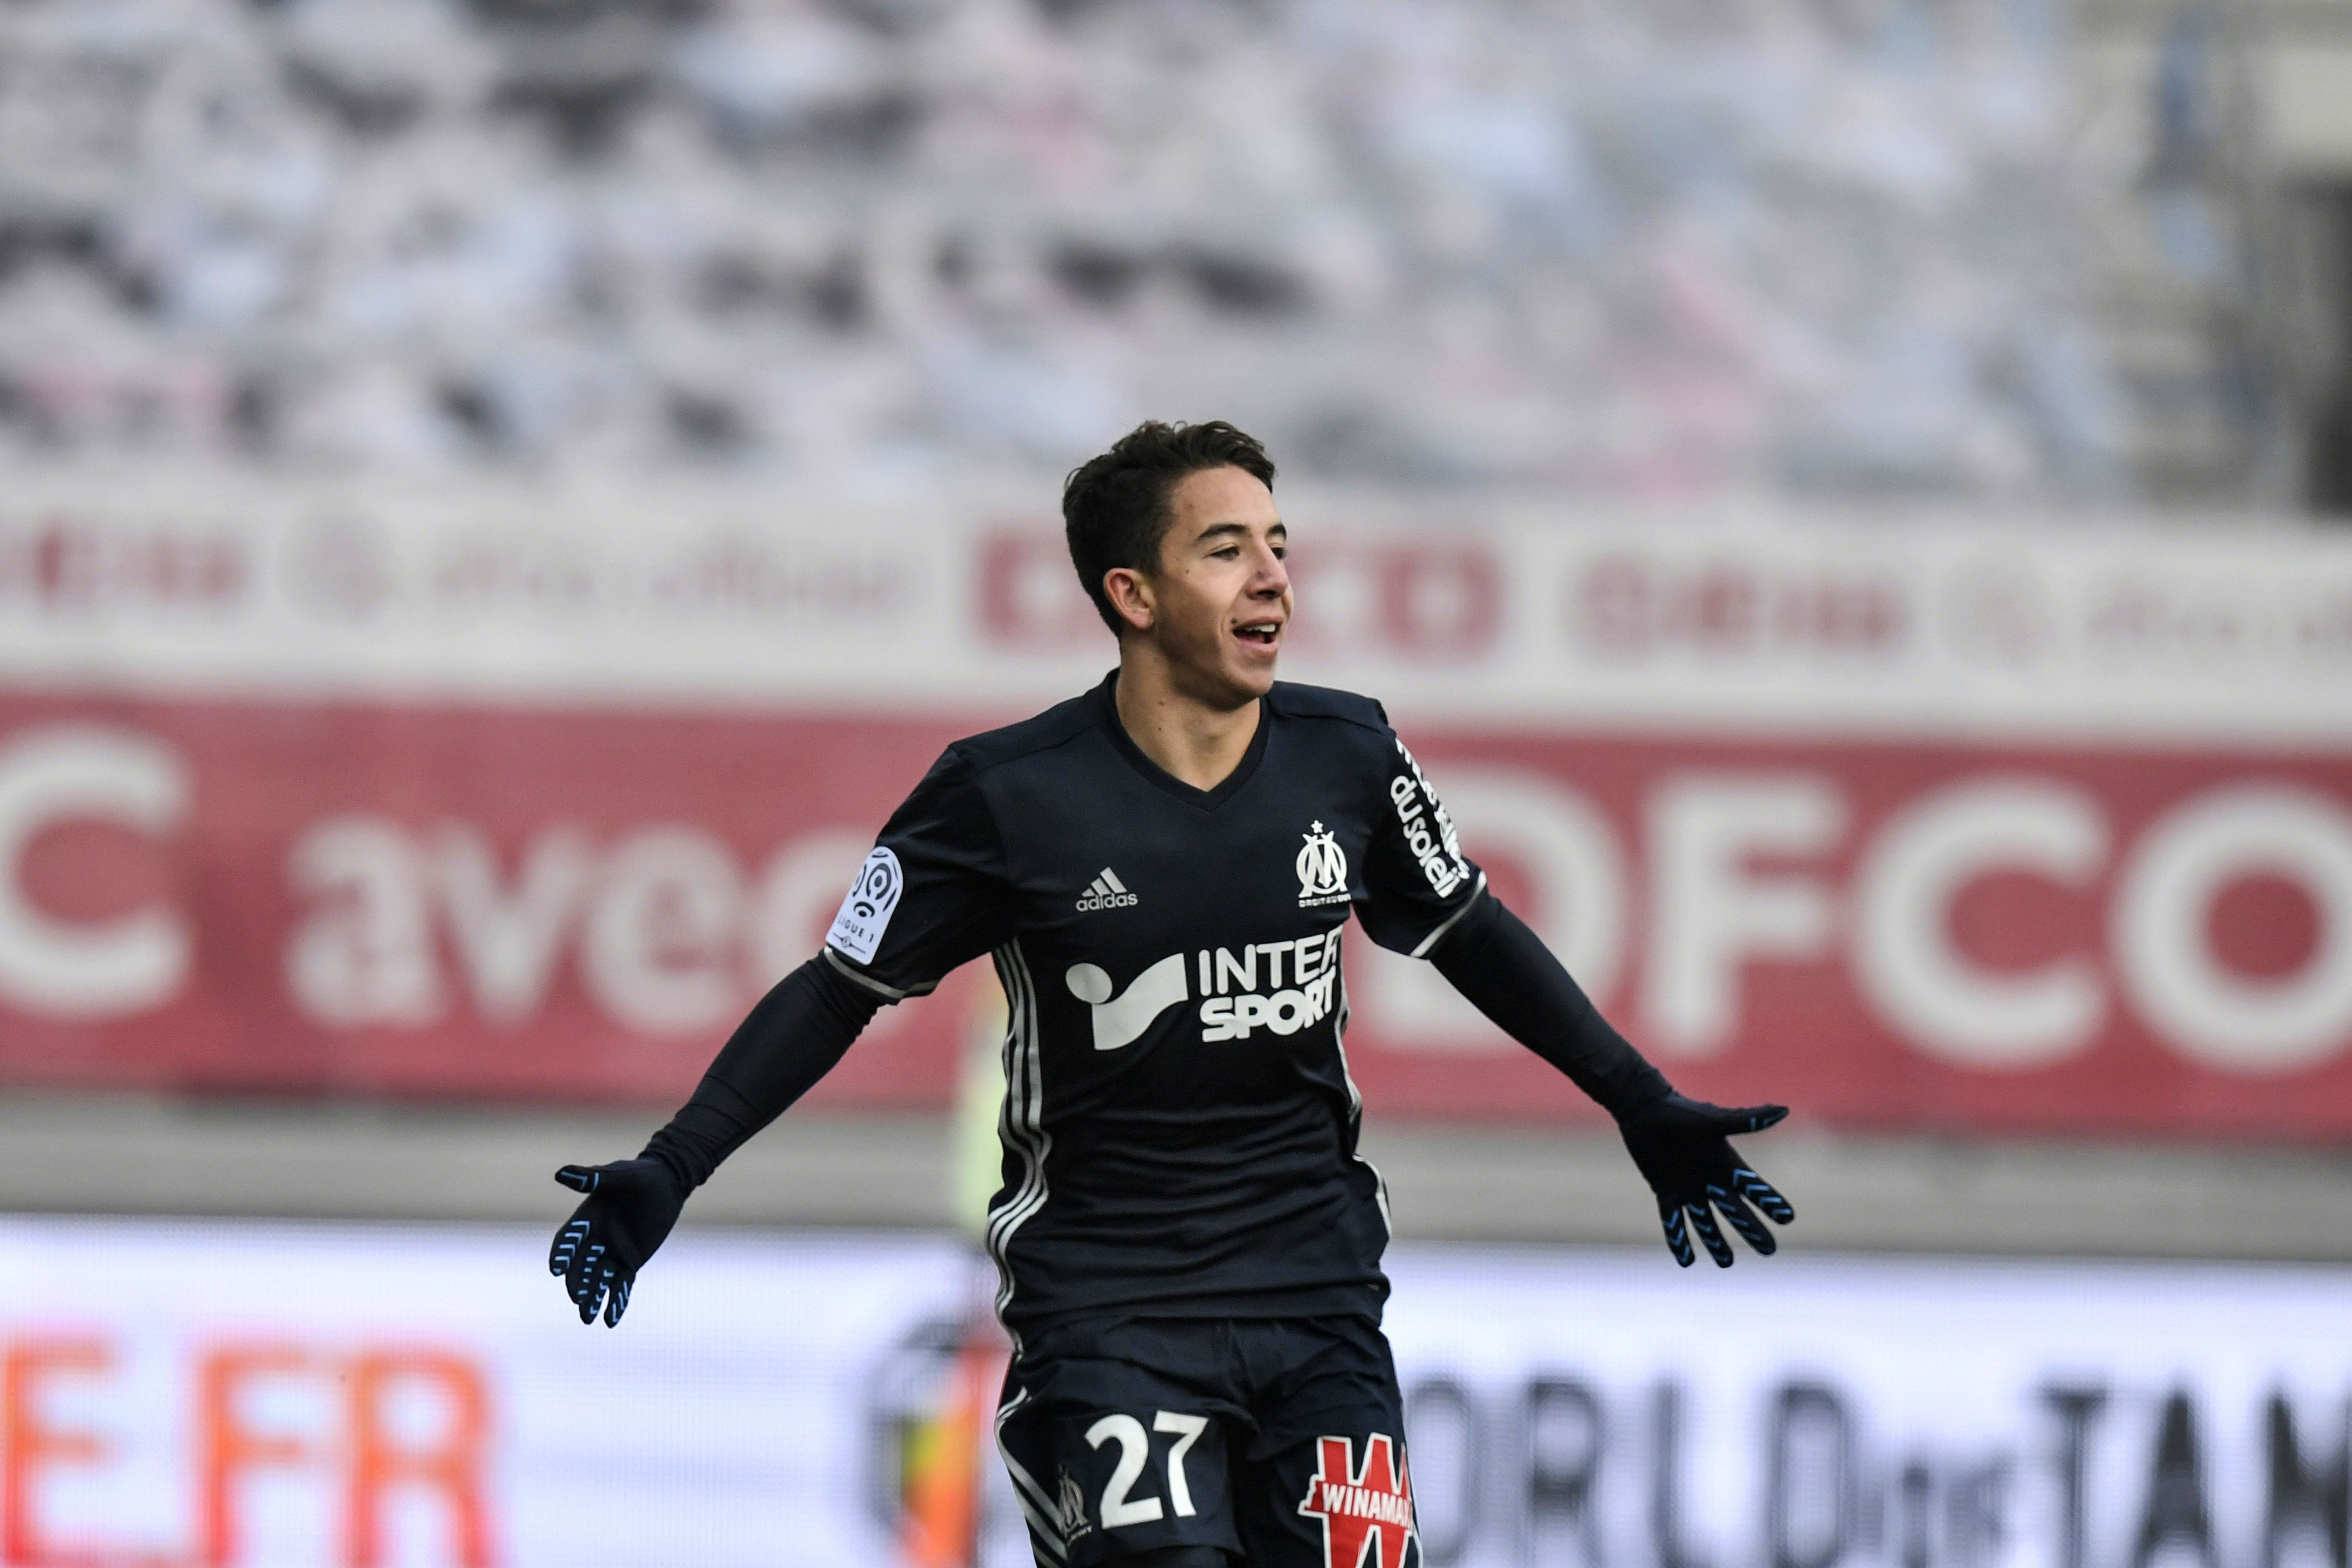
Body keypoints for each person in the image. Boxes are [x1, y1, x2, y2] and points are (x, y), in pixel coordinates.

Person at [547, 420, 1794, 1568]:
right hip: (1109, 1317)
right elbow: (837, 991)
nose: (1273, 580)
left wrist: (1642, 1103)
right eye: (1225, 549)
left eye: (1279, 546)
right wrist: (673, 1166)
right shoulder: (1003, 794)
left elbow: (1467, 928)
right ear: (1131, 597)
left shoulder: (1350, 753)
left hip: (1320, 1310)